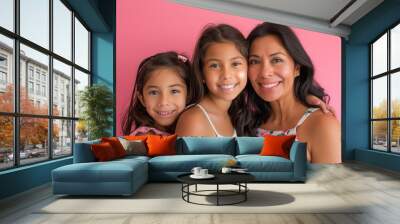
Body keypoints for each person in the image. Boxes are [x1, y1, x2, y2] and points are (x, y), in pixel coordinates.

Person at [236, 22, 341, 163]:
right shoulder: (248, 123)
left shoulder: (322, 123)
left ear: (297, 68)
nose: (265, 72)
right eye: (254, 61)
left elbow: (331, 185)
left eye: (277, 60)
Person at [175, 24, 248, 137]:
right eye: (214, 65)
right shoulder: (194, 120)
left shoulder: (235, 114)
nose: (226, 75)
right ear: (202, 72)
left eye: (235, 64)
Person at [121, 51, 201, 136]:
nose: (163, 102)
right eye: (154, 92)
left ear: (188, 94)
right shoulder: (145, 139)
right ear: (142, 99)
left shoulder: (194, 128)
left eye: (174, 91)